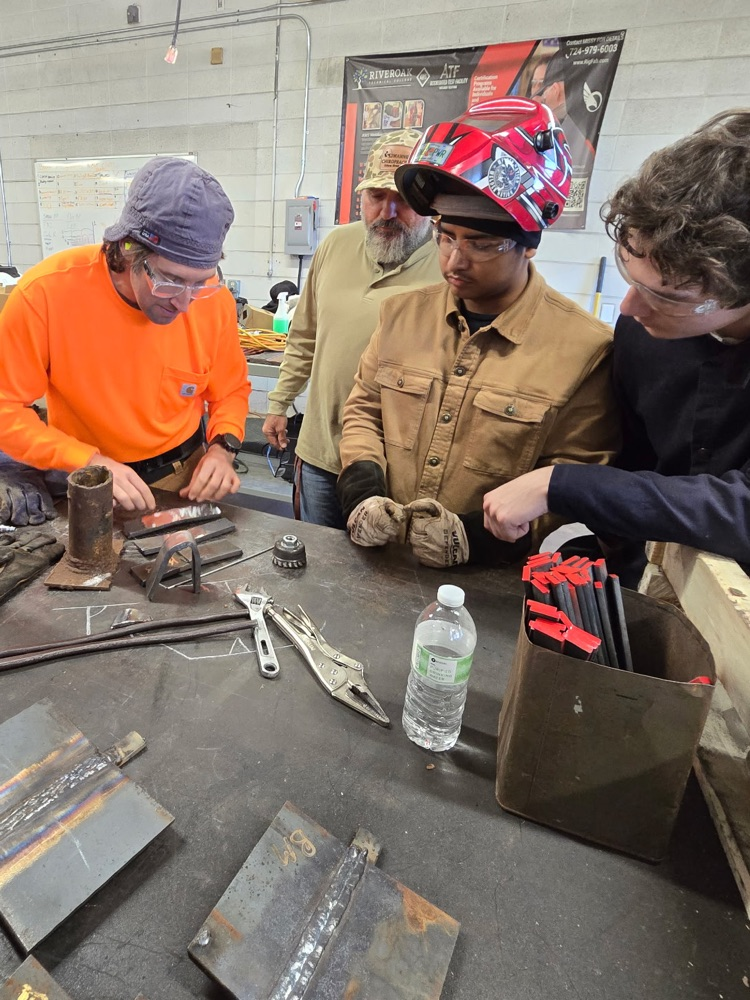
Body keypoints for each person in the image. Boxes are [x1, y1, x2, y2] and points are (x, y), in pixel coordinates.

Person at [336, 99, 619, 569]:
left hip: (488, 583)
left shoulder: (584, 350)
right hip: (385, 564)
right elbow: (364, 410)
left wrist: (480, 538)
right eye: (446, 237)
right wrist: (362, 487)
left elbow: (576, 482)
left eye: (481, 244)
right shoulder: (400, 315)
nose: (454, 261)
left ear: (529, 245)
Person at [482, 109, 750, 586]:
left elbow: (740, 508)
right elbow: (634, 457)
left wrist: (563, 485)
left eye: (665, 296)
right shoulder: (643, 334)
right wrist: (614, 542)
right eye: (630, 273)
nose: (629, 307)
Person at [0, 157, 250, 516]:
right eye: (170, 280)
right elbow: (6, 409)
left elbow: (230, 390)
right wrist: (86, 461)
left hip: (183, 478)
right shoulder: (45, 295)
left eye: (200, 282)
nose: (184, 303)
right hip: (86, 479)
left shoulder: (213, 301)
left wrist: (223, 449)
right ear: (129, 248)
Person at [262, 128, 442, 528]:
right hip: (320, 453)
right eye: (376, 196)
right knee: (316, 556)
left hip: (396, 469)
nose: (387, 212)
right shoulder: (335, 245)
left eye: (403, 199)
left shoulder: (450, 265)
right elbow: (305, 335)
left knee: (384, 564)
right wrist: (279, 402)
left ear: (430, 204)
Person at [529, 50, 594, 176]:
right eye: (533, 83)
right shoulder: (586, 119)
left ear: (555, 89)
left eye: (542, 87)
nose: (541, 96)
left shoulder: (567, 126)